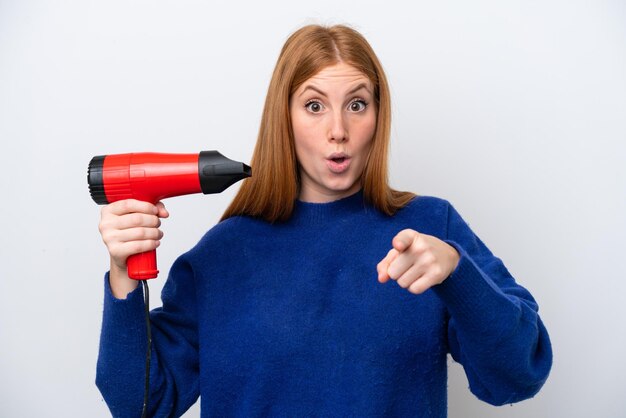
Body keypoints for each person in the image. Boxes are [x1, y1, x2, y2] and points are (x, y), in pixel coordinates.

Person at [95, 24, 552, 417]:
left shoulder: (430, 230)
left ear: (378, 114)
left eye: (357, 104)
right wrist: (123, 276)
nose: (339, 129)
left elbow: (518, 375)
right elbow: (140, 403)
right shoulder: (223, 254)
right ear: (285, 118)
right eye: (315, 106)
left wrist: (456, 271)